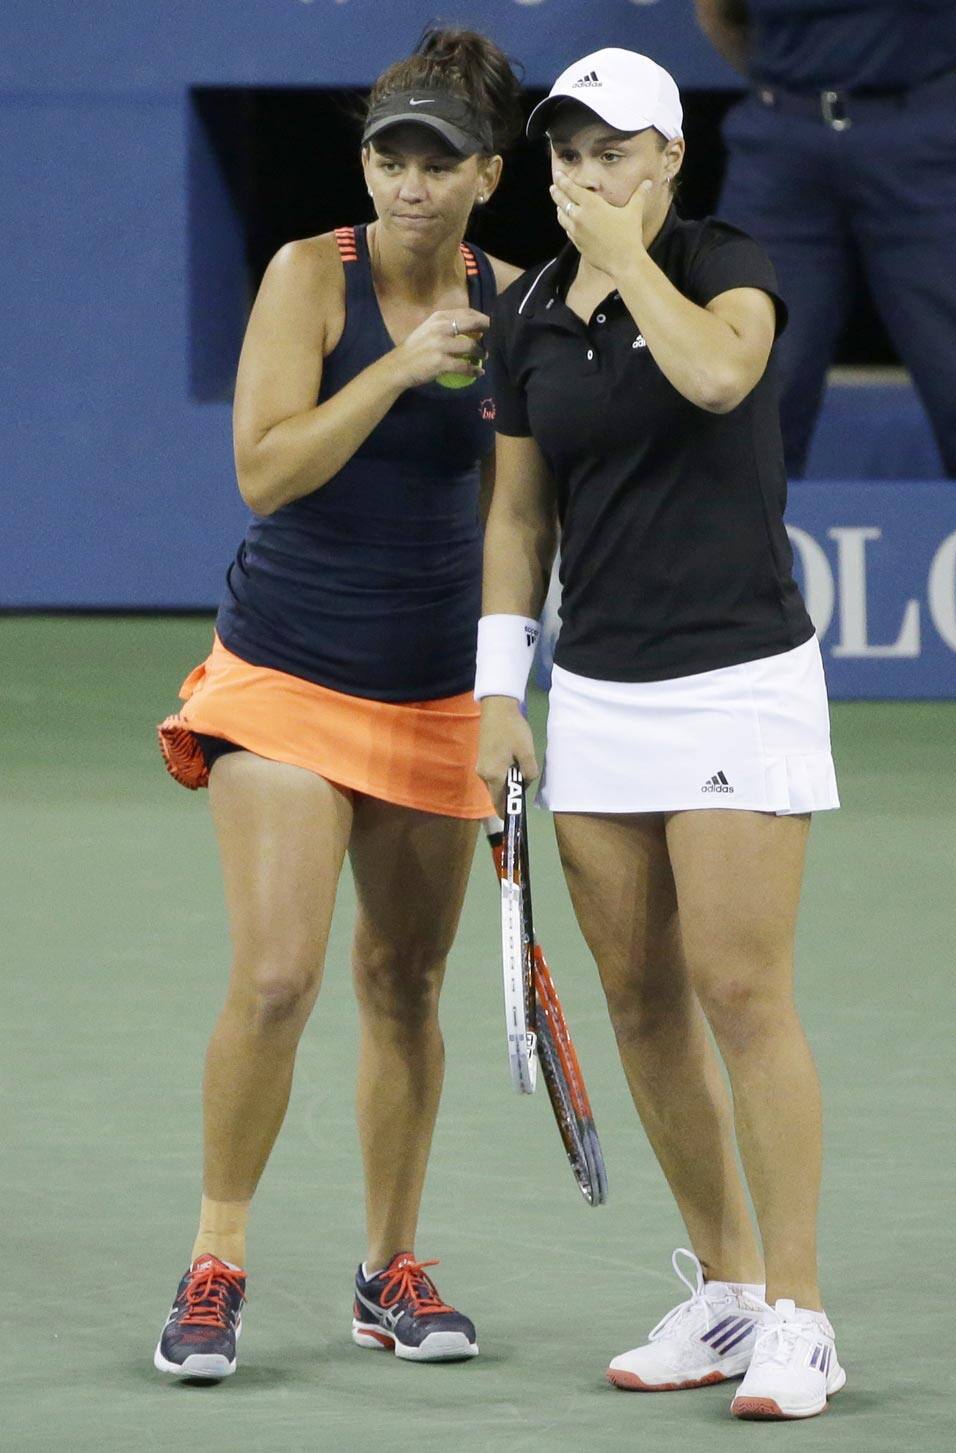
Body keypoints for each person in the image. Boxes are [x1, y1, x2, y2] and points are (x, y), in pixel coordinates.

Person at [476, 47, 845, 1422]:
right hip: (607, 697)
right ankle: (733, 1292)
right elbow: (519, 519)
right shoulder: (526, 320)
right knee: (640, 1001)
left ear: (669, 158)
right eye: (568, 156)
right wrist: (497, 689)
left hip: (739, 678)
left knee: (743, 996)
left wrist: (628, 262)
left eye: (613, 153)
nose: (587, 178)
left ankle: (805, 1317)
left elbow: (717, 380)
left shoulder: (724, 257)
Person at [152, 27, 522, 1379]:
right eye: (388, 155)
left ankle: (389, 1269)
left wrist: (504, 687)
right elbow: (265, 470)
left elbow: (514, 518)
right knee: (277, 975)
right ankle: (216, 1260)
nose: (408, 182)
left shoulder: (517, 300)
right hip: (290, 673)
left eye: (436, 160)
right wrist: (399, 359)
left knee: (405, 982)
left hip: (433, 691)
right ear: (367, 164)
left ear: (486, 174)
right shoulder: (313, 275)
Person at [695, 0, 956, 478]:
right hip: (783, 145)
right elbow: (720, 12)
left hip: (933, 139)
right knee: (750, 391)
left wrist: (928, 98)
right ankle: (731, 551)